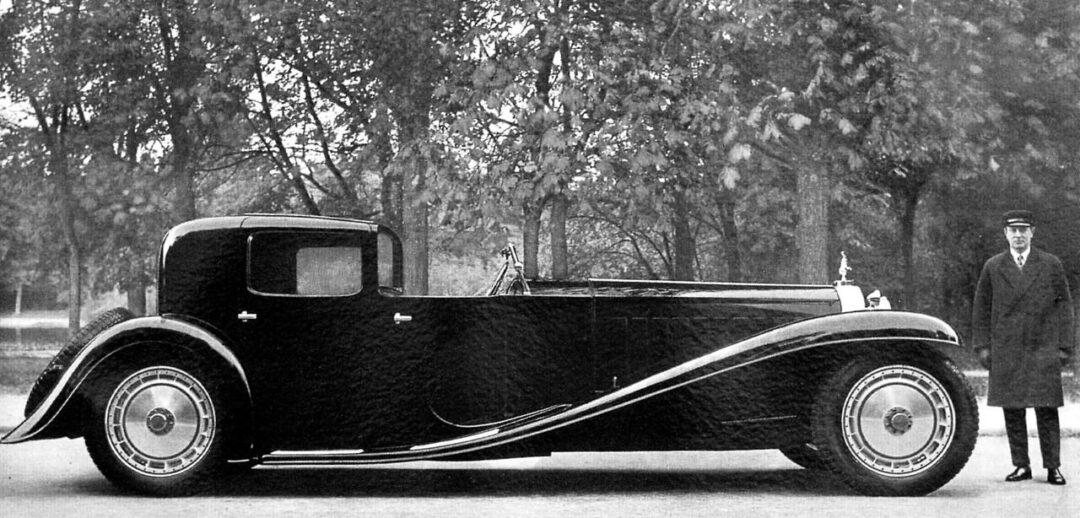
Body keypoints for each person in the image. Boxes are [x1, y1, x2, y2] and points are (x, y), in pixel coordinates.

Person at [972, 209, 1074, 486]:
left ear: (1032, 232)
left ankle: (1053, 466)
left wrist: (1064, 346)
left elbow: (1064, 306)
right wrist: (982, 347)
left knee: (1046, 408)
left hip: (1042, 346)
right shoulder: (993, 266)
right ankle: (1021, 465)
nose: (1018, 235)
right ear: (1005, 234)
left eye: (1023, 230)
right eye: (1013, 230)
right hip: (1007, 347)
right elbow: (981, 308)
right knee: (1013, 409)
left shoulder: (1050, 264)